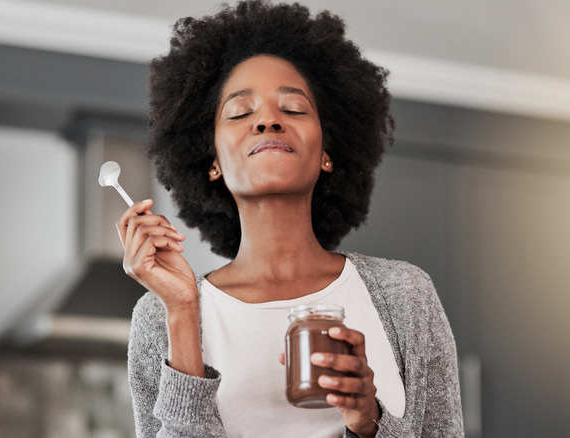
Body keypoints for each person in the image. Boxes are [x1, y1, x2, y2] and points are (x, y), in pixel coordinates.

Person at [119, 1, 463, 437]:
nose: (268, 120)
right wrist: (184, 312)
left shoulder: (405, 297)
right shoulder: (160, 316)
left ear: (326, 154)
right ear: (212, 162)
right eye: (241, 113)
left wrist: (367, 423)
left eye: (294, 109)